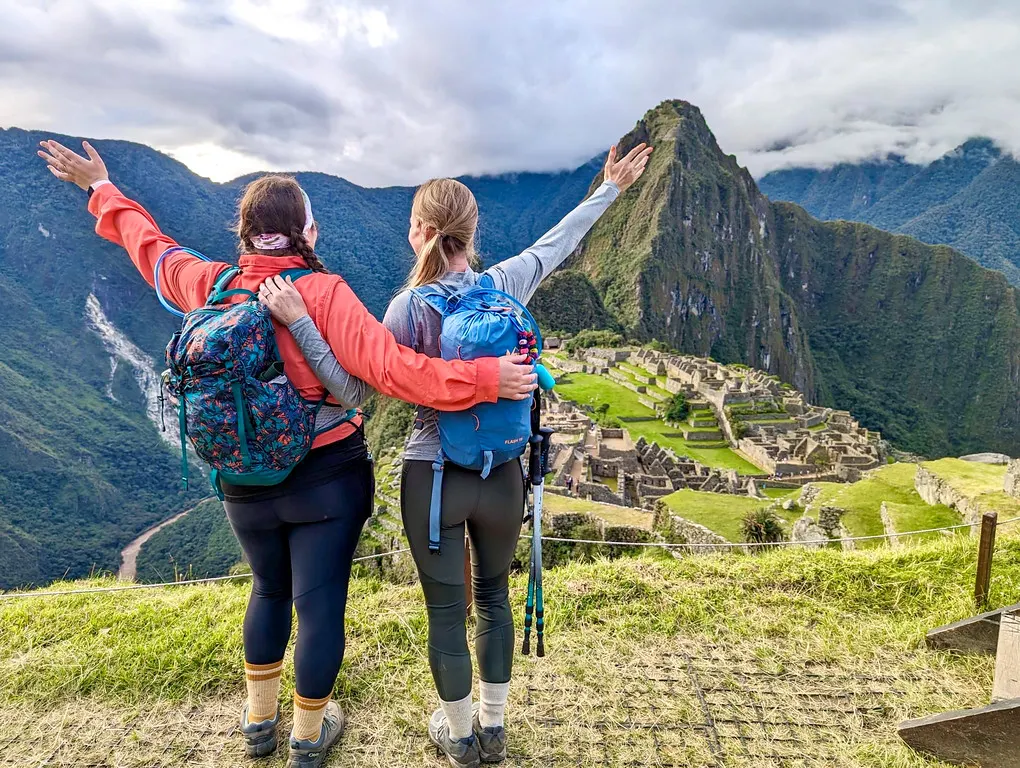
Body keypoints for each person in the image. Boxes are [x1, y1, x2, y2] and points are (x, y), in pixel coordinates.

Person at [37, 140, 538, 768]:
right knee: (320, 600)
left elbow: (153, 249)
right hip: (325, 477)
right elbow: (398, 371)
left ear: (243, 234)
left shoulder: (212, 284)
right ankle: (307, 736)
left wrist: (101, 189)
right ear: (308, 230)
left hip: (244, 481)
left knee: (269, 590)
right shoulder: (325, 294)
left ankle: (257, 722)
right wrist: (488, 380)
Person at [265, 142, 652, 767]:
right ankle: (495, 730)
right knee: (495, 598)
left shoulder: (405, 308)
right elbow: (557, 245)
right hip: (502, 475)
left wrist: (299, 335)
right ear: (472, 235)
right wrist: (608, 189)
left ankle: (460, 735)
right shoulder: (503, 285)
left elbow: (356, 386)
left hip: (432, 475)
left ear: (418, 231)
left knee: (447, 610)